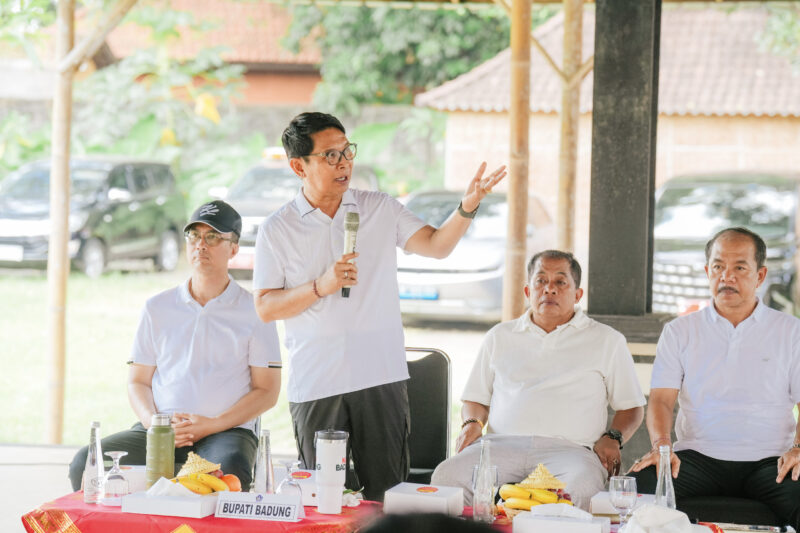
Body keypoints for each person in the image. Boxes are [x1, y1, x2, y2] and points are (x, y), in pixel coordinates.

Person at [253, 111, 506, 501]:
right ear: (297, 166)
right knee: (324, 498)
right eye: (330, 156)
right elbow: (267, 307)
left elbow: (437, 246)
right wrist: (323, 285)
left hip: (380, 375)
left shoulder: (378, 208)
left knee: (387, 496)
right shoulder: (278, 227)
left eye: (347, 151)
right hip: (318, 380)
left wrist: (467, 207)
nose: (344, 163)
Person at [68, 200, 282, 491]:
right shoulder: (157, 307)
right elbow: (138, 382)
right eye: (194, 236)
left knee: (223, 474)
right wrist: (155, 426)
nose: (201, 245)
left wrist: (211, 424)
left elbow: (267, 391)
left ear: (234, 248)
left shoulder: (255, 311)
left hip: (226, 432)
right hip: (159, 430)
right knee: (87, 463)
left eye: (213, 237)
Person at [431, 250, 646, 510]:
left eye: (560, 282)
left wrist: (613, 437)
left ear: (578, 294)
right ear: (527, 291)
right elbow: (476, 399)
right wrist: (472, 423)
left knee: (584, 489)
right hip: (499, 446)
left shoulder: (607, 340)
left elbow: (632, 407)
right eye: (540, 281)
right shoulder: (500, 336)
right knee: (446, 477)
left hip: (572, 451)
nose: (549, 289)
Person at [630, 227, 800, 527]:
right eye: (719, 267)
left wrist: (798, 449)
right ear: (708, 271)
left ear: (760, 276)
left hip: (771, 460)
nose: (727, 276)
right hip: (696, 458)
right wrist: (661, 447)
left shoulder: (791, 331)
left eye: (739, 268)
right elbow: (661, 400)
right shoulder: (680, 331)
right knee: (636, 491)